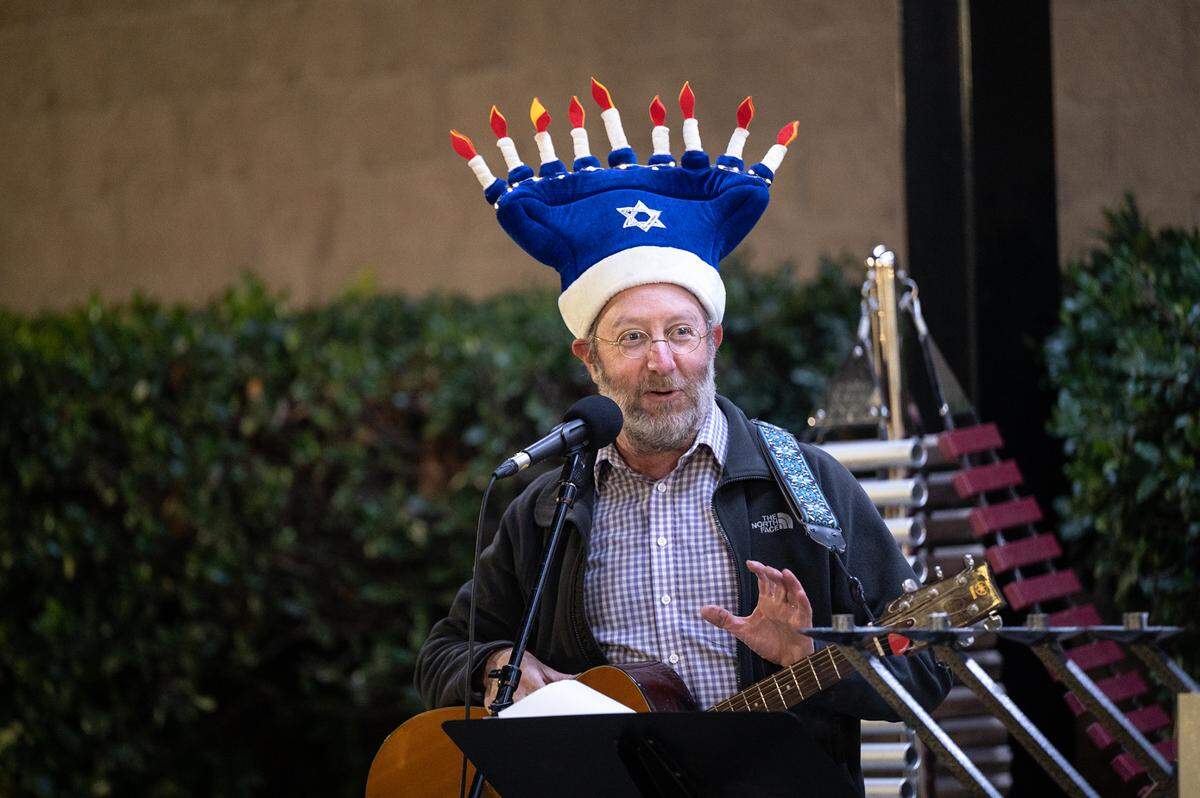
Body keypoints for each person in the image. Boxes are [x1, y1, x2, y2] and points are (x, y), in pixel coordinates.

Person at [421, 78, 951, 793]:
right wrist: (491, 672)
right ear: (590, 356)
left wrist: (806, 654)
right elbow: (442, 652)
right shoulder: (549, 508)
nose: (660, 360)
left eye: (680, 333)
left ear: (714, 341)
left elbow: (927, 663)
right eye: (632, 337)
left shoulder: (802, 485)